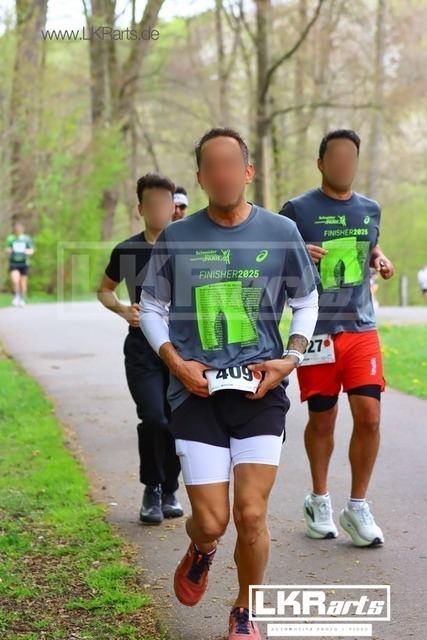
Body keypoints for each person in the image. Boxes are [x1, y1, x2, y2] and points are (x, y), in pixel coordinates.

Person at [140, 127, 319, 640]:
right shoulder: (177, 236)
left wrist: (289, 359)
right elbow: (151, 307)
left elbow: (306, 300)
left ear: (247, 171)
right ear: (200, 178)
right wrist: (177, 364)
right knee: (213, 521)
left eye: (230, 165)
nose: (222, 175)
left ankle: (245, 610)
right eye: (211, 167)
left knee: (252, 513)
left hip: (260, 389)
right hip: (195, 393)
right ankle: (202, 548)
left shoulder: (281, 231)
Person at [279, 129, 394, 547]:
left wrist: (379, 258)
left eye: (351, 157)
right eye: (336, 156)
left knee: (370, 416)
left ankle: (357, 506)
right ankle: (319, 500)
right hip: (316, 330)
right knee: (323, 418)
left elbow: (370, 245)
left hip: (360, 326)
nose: (344, 163)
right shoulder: (296, 210)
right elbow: (272, 259)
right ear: (321, 163)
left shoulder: (370, 208)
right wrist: (298, 253)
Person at [97, 172, 183, 525]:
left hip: (180, 349)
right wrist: (123, 310)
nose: (159, 209)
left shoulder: (187, 246)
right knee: (153, 418)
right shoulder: (128, 250)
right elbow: (104, 290)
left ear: (174, 206)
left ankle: (171, 489)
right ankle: (152, 488)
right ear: (141, 209)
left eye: (165, 202)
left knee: (176, 420)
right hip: (141, 350)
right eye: (152, 203)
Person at [5, 222, 34, 307]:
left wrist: (27, 252)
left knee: (22, 282)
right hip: (14, 262)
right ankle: (16, 295)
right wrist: (9, 251)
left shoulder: (26, 239)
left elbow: (31, 250)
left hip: (24, 263)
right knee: (15, 280)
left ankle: (22, 298)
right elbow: (7, 249)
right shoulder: (10, 238)